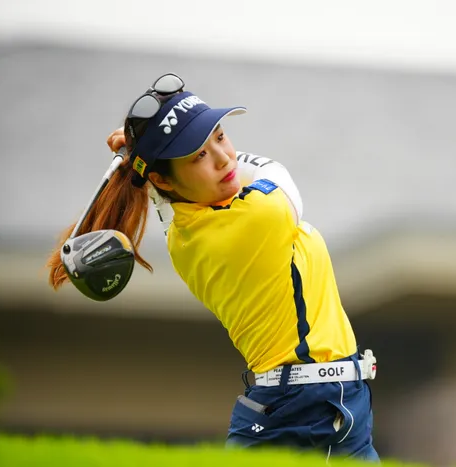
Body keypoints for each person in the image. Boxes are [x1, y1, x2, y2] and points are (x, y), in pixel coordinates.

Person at [45, 73, 379, 462]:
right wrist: (145, 156)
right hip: (310, 409)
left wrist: (148, 155)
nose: (223, 158)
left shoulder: (184, 228)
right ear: (162, 178)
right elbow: (274, 171)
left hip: (312, 401)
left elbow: (171, 192)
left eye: (220, 137)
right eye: (199, 155)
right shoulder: (256, 217)